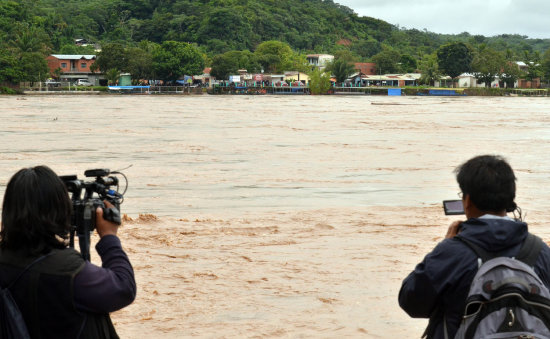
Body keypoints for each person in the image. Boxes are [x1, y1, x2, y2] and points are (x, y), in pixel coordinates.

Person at [398, 155, 550, 338]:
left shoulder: (452, 252)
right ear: (510, 200)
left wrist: (445, 245)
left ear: (467, 200)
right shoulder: (540, 251)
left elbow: (411, 302)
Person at [0, 166, 136, 338]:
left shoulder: (4, 260)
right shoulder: (68, 270)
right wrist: (109, 237)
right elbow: (124, 288)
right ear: (60, 210)